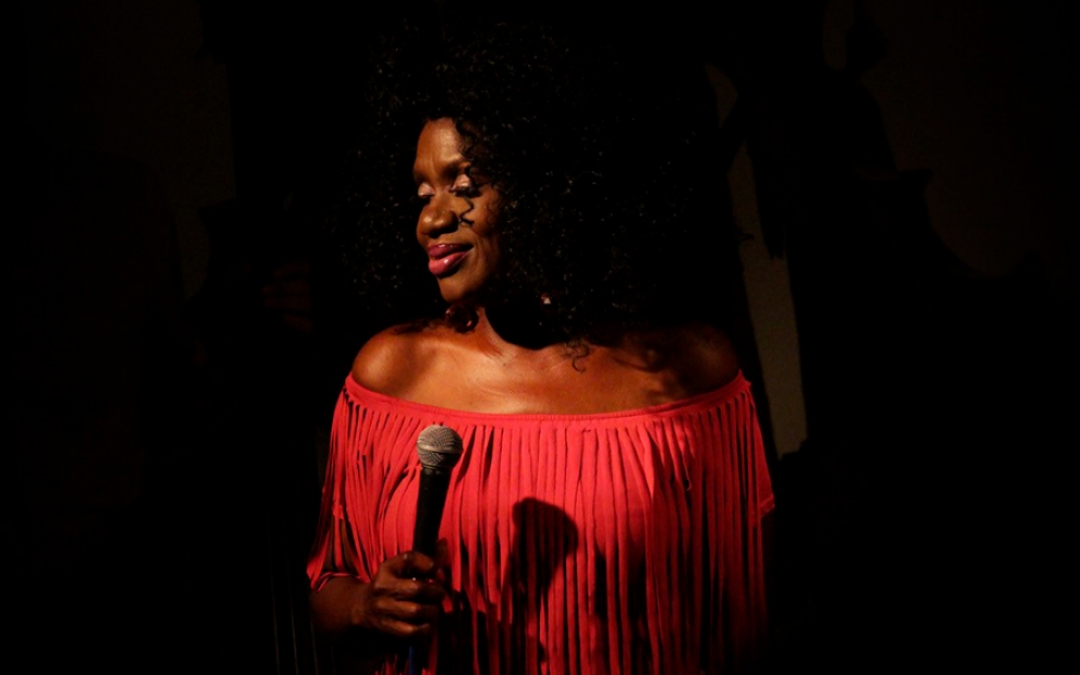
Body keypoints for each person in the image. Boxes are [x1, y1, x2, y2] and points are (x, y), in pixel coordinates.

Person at [307, 23, 774, 674]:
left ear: (548, 180)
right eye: (423, 193)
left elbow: (743, 614)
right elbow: (328, 588)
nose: (430, 220)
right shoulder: (392, 373)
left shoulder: (690, 374)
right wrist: (366, 606)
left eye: (465, 184)